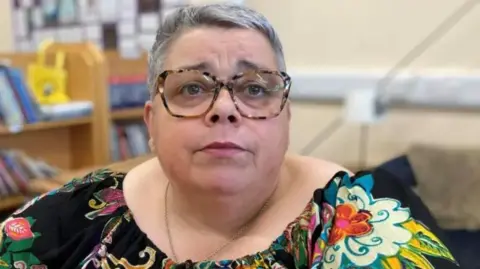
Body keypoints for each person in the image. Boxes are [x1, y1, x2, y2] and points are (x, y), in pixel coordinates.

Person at [0, 4, 459, 269]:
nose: (223, 108)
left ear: (285, 118)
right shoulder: (77, 215)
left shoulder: (357, 230)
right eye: (192, 87)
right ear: (150, 123)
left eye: (255, 88)